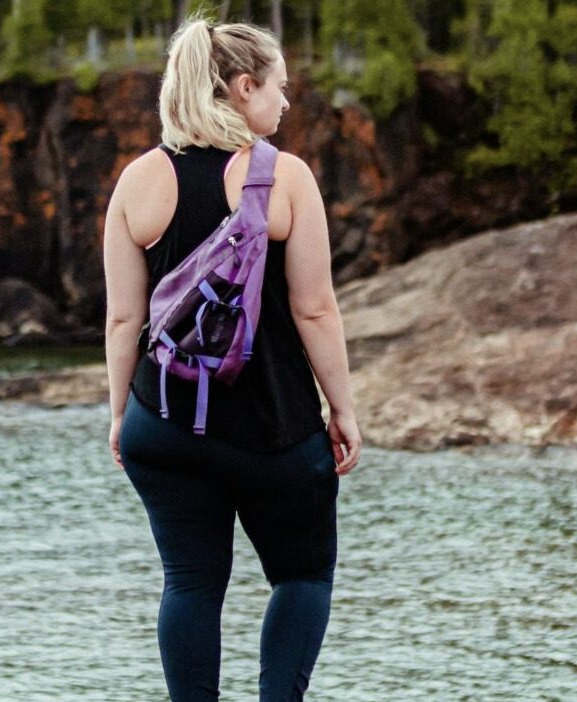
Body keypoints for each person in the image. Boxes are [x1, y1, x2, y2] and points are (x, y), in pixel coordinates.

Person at [103, 16, 362, 702]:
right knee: (302, 576)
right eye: (279, 87)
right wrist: (342, 408)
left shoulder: (137, 181)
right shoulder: (287, 178)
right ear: (244, 87)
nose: (286, 101)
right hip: (274, 426)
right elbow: (315, 309)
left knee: (190, 582)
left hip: (163, 420)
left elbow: (124, 318)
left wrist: (120, 415)